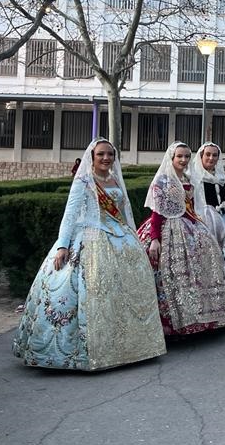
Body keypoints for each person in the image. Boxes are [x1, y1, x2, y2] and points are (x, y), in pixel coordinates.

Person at [13, 139, 166, 370]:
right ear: (92, 157)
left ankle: (130, 346)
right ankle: (86, 351)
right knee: (94, 291)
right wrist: (63, 246)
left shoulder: (115, 179)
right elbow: (70, 214)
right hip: (90, 239)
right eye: (101, 154)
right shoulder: (84, 181)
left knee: (123, 292)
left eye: (110, 155)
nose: (106, 158)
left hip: (120, 238)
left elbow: (124, 213)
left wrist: (132, 237)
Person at [137, 142, 225, 336]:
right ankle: (172, 323)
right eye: (179, 156)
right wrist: (155, 239)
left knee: (198, 272)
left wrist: (201, 228)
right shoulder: (163, 180)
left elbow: (193, 208)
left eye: (187, 156)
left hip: (189, 226)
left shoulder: (189, 178)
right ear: (171, 158)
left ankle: (200, 318)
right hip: (167, 229)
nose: (183, 160)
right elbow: (157, 212)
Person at [190, 141, 225, 248]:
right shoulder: (194, 177)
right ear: (201, 156)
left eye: (215, 155)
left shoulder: (222, 177)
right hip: (204, 218)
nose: (211, 158)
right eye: (208, 154)